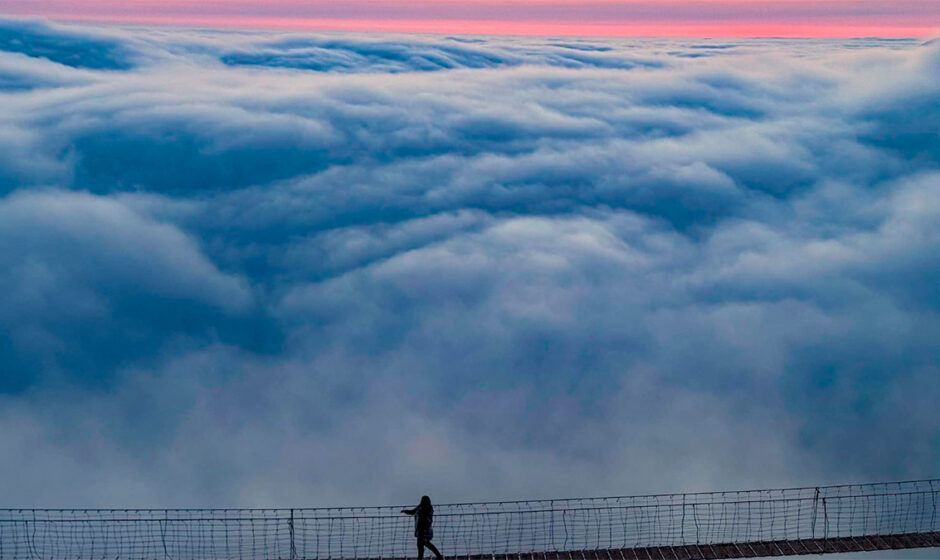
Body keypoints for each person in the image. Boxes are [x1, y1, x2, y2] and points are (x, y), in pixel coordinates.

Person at [401, 495, 444, 560]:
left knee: (424, 543)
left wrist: (422, 515)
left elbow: (428, 518)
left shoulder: (428, 508)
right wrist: (405, 511)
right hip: (420, 528)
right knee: (421, 544)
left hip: (425, 528)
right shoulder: (420, 507)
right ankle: (425, 557)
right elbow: (413, 512)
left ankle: (438, 556)